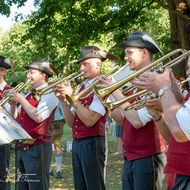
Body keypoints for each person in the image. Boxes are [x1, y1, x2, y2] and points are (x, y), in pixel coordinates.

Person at [130, 6, 190, 188]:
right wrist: (172, 88)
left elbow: (181, 130)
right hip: (180, 170)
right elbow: (184, 115)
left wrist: (164, 88)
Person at [97, 32, 167, 190]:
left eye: (129, 52)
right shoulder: (134, 82)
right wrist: (105, 100)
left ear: (144, 53)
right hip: (131, 157)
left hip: (148, 157)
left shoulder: (156, 81)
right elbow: (123, 119)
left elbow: (136, 121)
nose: (126, 57)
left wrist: (114, 90)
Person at [55, 46, 119, 190]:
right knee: (80, 186)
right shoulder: (80, 89)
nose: (81, 68)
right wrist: (63, 101)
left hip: (93, 143)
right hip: (78, 143)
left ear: (98, 64)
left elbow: (90, 120)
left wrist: (72, 97)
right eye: (81, 65)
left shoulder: (102, 86)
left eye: (85, 64)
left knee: (94, 186)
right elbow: (71, 122)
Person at [9, 59, 58, 190]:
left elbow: (39, 117)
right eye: (28, 72)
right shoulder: (30, 95)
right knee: (22, 187)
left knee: (37, 186)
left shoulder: (49, 93)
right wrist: (13, 104)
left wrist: (21, 100)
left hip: (38, 147)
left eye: (31, 72)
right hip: (23, 146)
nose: (27, 75)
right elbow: (15, 117)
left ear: (43, 75)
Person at [0, 56, 14, 190]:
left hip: (2, 139)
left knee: (2, 177)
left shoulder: (9, 91)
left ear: (3, 71)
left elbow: (12, 118)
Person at [49, 101, 65, 178]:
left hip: (57, 122)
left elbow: (64, 113)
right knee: (47, 145)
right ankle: (49, 170)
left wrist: (60, 125)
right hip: (47, 122)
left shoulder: (58, 98)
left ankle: (58, 170)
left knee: (57, 146)